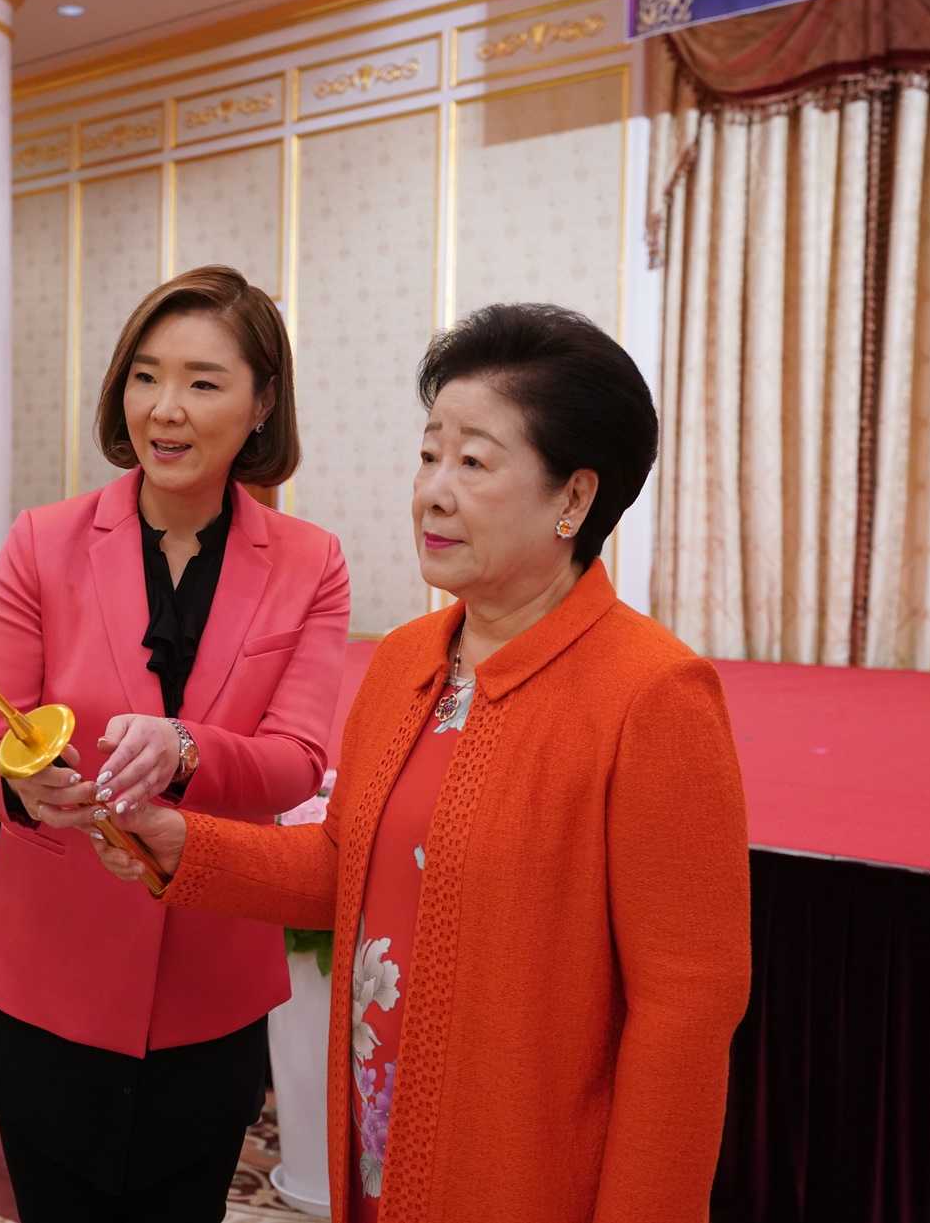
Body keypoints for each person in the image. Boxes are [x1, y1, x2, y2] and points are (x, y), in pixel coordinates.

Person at [94, 304, 751, 1223]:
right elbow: (342, 870)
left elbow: (685, 1016)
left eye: (473, 462)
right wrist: (179, 841)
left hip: (522, 1173)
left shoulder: (654, 693)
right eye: (428, 452)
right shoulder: (408, 661)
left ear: (573, 498)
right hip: (376, 1141)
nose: (432, 491)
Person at [0, 265, 351, 1220]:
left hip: (214, 975)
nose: (165, 409)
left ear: (263, 405)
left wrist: (188, 749)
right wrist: (19, 789)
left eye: (205, 382)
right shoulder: (42, 542)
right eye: (145, 376)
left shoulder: (309, 561)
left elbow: (296, 760)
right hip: (54, 970)